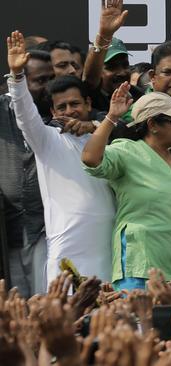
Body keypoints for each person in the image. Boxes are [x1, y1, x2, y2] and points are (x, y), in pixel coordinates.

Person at [82, 86, 171, 304]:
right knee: (141, 334)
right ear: (153, 124)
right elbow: (90, 158)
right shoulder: (127, 151)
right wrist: (111, 117)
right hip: (140, 271)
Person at [7, 32, 115, 285]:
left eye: (75, 104)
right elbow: (24, 114)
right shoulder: (46, 140)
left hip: (109, 245)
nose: (69, 111)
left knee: (109, 319)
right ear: (53, 111)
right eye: (62, 107)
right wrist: (18, 77)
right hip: (68, 248)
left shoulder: (104, 137)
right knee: (68, 319)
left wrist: (96, 125)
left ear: (88, 103)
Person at [0, 49, 53, 297]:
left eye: (51, 78)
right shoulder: (2, 110)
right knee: (15, 307)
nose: (48, 87)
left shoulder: (58, 113)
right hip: (8, 231)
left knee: (44, 304)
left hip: (44, 229)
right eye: (40, 80)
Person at [83, 0, 139, 113]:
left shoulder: (138, 96)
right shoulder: (90, 97)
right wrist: (105, 35)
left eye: (125, 65)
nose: (122, 72)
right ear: (99, 70)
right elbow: (89, 79)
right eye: (111, 67)